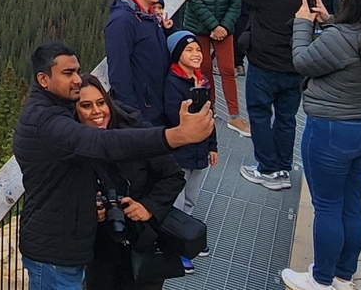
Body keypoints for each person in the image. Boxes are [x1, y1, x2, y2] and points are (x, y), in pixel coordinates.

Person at [15, 43, 215, 290]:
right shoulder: (48, 122)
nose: (77, 79)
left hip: (77, 250)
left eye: (78, 71)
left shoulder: (60, 113)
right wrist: (175, 136)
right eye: (68, 73)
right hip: (58, 255)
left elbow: (69, 179)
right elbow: (102, 143)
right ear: (43, 79)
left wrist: (108, 207)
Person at [281, 0, 361, 290]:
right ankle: (343, 275)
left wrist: (302, 22)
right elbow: (349, 50)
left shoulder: (341, 38)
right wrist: (329, 21)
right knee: (350, 204)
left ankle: (320, 279)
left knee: (327, 205)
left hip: (331, 132)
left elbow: (303, 60)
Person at [77, 74, 188, 289]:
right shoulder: (74, 147)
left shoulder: (136, 133)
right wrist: (88, 211)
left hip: (144, 242)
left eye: (101, 103)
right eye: (86, 106)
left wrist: (148, 206)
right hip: (100, 251)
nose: (96, 112)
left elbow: (174, 176)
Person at [230, 0, 312, 191]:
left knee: (260, 115)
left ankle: (266, 169)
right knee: (287, 119)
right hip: (295, 68)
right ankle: (283, 169)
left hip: (263, 66)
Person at [182, 0, 249, 136]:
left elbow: (235, 0)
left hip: (224, 28)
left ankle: (234, 117)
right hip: (199, 27)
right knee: (204, 67)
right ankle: (209, 108)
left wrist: (224, 26)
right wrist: (213, 26)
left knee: (228, 69)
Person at [161, 32, 217, 275]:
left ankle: (188, 234)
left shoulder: (201, 79)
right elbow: (176, 117)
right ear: (177, 55)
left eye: (198, 50)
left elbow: (209, 116)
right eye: (189, 51)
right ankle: (177, 245)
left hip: (200, 151)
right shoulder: (174, 81)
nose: (196, 55)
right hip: (182, 151)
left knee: (192, 197)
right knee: (178, 198)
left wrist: (212, 146)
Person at [106, 0, 175, 127]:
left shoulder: (148, 15)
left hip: (158, 107)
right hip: (143, 115)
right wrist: (132, 117)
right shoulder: (122, 21)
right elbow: (119, 74)